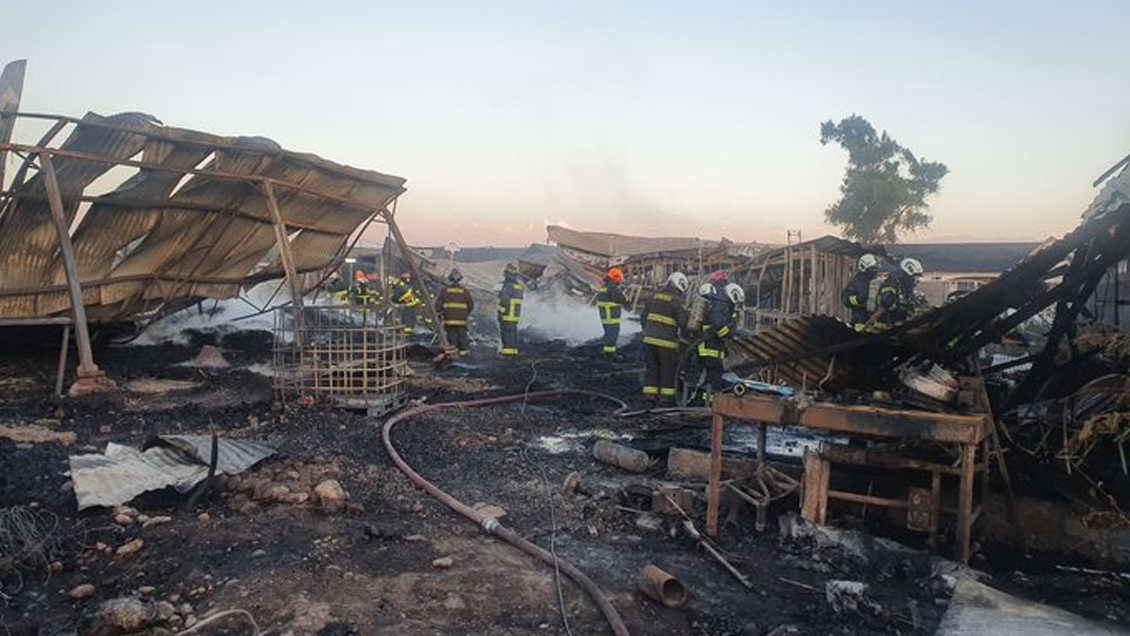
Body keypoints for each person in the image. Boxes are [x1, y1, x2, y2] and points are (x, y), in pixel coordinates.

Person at [641, 272, 689, 404]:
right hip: (666, 343)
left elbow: (643, 318)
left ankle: (650, 395)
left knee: (652, 368)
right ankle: (666, 397)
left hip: (649, 340)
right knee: (667, 370)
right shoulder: (677, 302)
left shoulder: (653, 297)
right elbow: (683, 323)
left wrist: (647, 332)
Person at [698, 279, 740, 394]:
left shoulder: (717, 301)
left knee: (709, 376)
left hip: (707, 346)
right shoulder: (722, 304)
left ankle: (706, 399)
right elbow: (717, 324)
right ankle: (711, 401)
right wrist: (727, 335)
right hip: (711, 346)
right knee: (714, 377)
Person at [438, 268, 474, 357]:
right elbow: (471, 305)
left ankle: (453, 352)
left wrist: (440, 313)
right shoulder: (465, 291)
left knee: (452, 335)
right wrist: (465, 313)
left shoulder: (445, 291)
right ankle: (464, 351)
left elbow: (438, 306)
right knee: (462, 334)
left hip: (449, 319)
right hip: (462, 319)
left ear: (450, 279)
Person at [841, 254, 883, 332]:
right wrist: (858, 300)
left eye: (876, 269)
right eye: (872, 268)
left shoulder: (878, 283)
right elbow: (845, 298)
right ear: (864, 268)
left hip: (877, 322)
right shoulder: (856, 282)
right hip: (860, 323)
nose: (875, 271)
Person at [878, 257, 925, 325]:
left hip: (901, 320)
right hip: (889, 321)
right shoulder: (893, 283)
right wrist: (903, 308)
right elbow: (886, 303)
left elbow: (908, 300)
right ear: (906, 274)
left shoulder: (905, 285)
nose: (917, 279)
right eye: (914, 276)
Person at [596, 267, 629, 356]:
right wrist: (626, 299)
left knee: (608, 334)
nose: (620, 282)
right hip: (611, 316)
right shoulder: (612, 288)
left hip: (606, 316)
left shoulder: (605, 287)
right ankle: (609, 355)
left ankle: (604, 350)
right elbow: (620, 298)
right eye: (619, 279)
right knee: (612, 335)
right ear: (615, 278)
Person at [497, 263, 524, 357]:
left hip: (507, 314)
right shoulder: (519, 287)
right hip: (515, 315)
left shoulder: (508, 287)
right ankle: (513, 353)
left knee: (507, 334)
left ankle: (507, 355)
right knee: (513, 334)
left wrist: (500, 312)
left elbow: (504, 301)